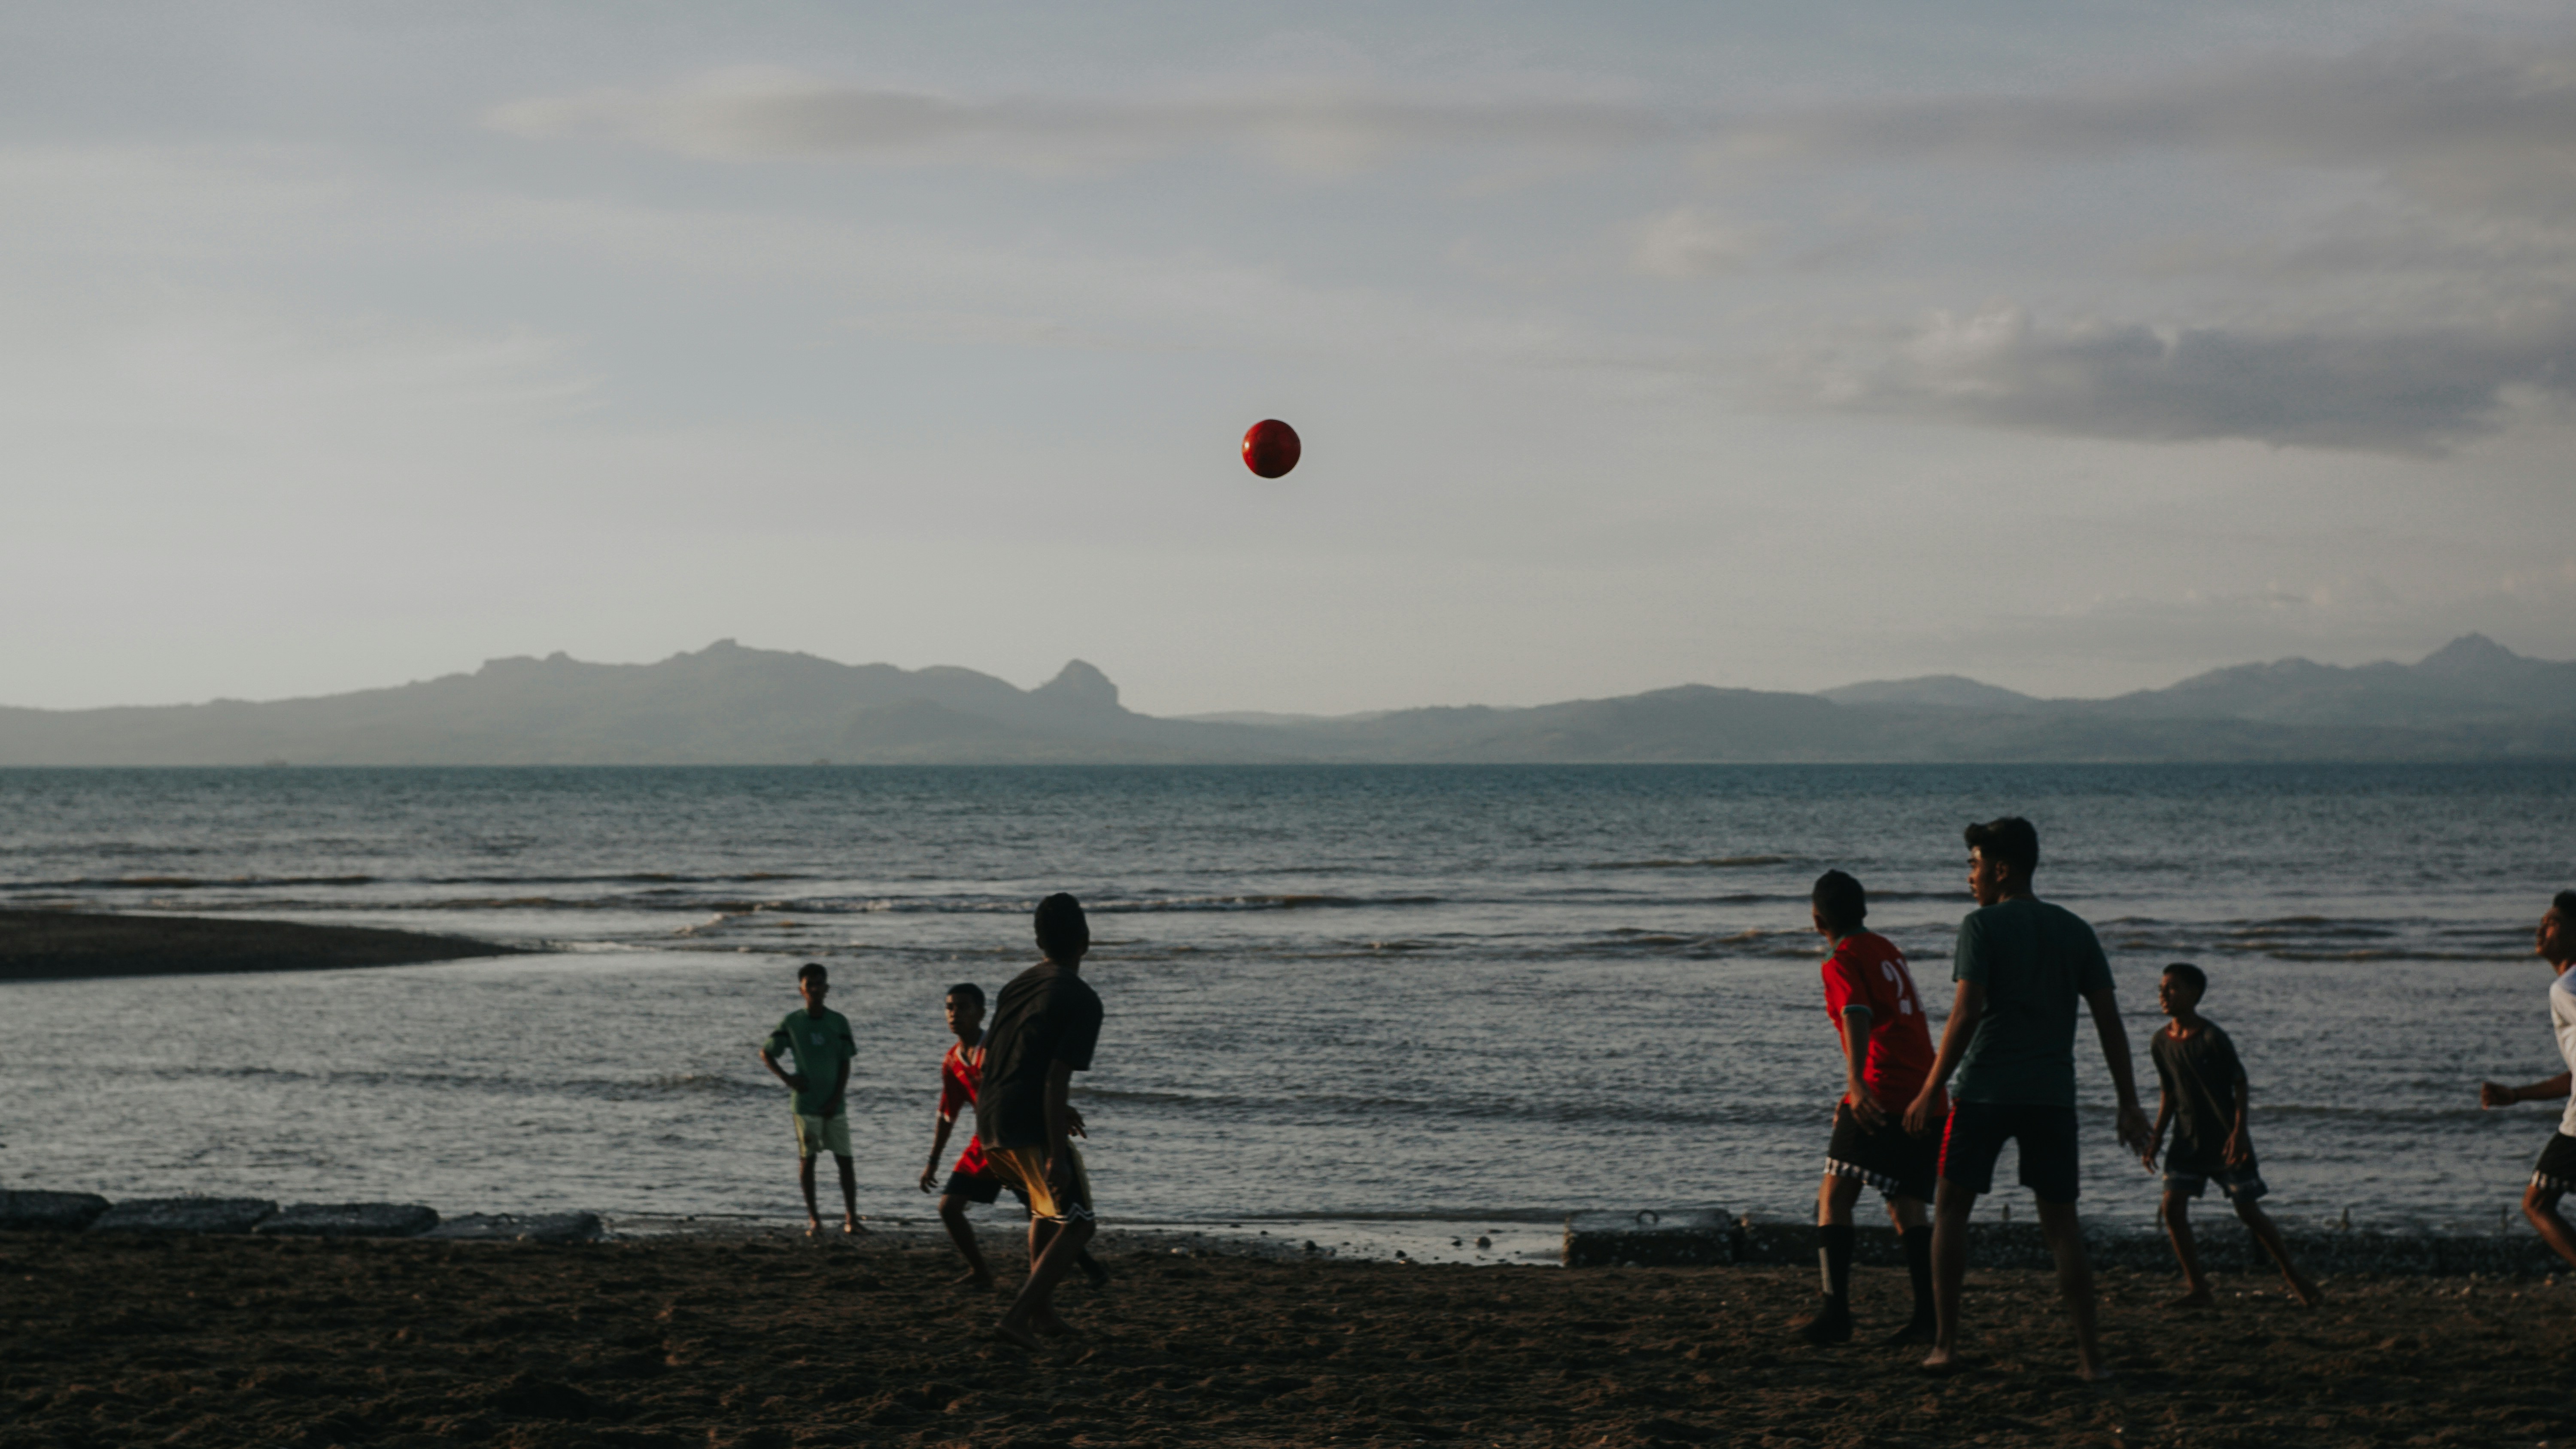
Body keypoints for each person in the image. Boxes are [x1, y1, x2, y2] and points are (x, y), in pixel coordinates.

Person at [1902, 817, 2152, 1381]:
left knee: (1950, 1211)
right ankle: (2092, 1361)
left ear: (2001, 869)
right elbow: (2109, 1021)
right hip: (2051, 1099)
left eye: (1974, 864)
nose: (1969, 876)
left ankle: (1945, 1346)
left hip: (1985, 1092)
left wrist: (1930, 1087)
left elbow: (1966, 1014)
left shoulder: (1982, 926)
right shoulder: (2076, 930)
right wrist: (2128, 1100)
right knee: (2063, 1227)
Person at [1796, 869, 1941, 1347]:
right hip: (1924, 1089)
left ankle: (1835, 1313)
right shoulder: (1886, 948)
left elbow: (1854, 1012)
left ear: (1819, 921)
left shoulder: (1842, 957)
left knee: (1834, 1197)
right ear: (1863, 911)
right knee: (1906, 1204)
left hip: (1884, 1092)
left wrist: (1856, 1082)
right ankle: (1927, 1317)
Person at [2141, 962, 2321, 1307]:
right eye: (2162, 988)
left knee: (2248, 1212)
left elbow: (2240, 1084)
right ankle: (2198, 1288)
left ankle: (2294, 1276)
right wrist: (2157, 1137)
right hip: (2186, 1140)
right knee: (2172, 1208)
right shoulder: (2160, 1041)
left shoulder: (2212, 1037)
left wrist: (2239, 1134)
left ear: (2194, 994)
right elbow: (2169, 1092)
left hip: (2224, 1138)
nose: (2164, 994)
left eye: (2173, 988)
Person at [976, 893, 1106, 1349]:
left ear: (1037, 941)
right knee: (1081, 1223)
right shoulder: (1082, 999)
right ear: (1086, 941)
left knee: (1045, 1209)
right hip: (1026, 1120)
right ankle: (1017, 1316)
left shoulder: (1016, 985)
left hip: (990, 1116)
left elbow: (989, 1056)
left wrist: (1037, 1105)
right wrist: (1056, 1151)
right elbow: (1055, 1077)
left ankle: (1043, 1313)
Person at [919, 981, 1109, 1291]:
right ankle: (983, 1273)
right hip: (985, 1144)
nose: (955, 1014)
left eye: (963, 1007)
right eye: (950, 1007)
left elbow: (1031, 1078)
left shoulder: (994, 1049)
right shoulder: (952, 1061)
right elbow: (947, 1113)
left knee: (1045, 1211)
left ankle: (1065, 1278)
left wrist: (1061, 1107)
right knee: (950, 1207)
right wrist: (933, 1161)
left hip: (1017, 1137)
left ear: (981, 1013)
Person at [2478, 891, 2576, 1269]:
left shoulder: (2565, 988)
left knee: (2536, 1204)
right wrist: (2517, 1095)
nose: (2540, 929)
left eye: (2552, 923)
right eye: (2541, 922)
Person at [757, 962, 861, 1238]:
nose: (815, 989)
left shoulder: (838, 1022)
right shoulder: (792, 1022)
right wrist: (787, 1079)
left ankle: (852, 1219)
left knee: (845, 1161)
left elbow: (845, 1064)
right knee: (809, 1160)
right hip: (805, 1105)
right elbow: (767, 1053)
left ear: (827, 988)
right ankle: (815, 1221)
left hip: (835, 1105)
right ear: (801, 989)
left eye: (819, 984)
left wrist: (835, 1099)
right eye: (809, 984)